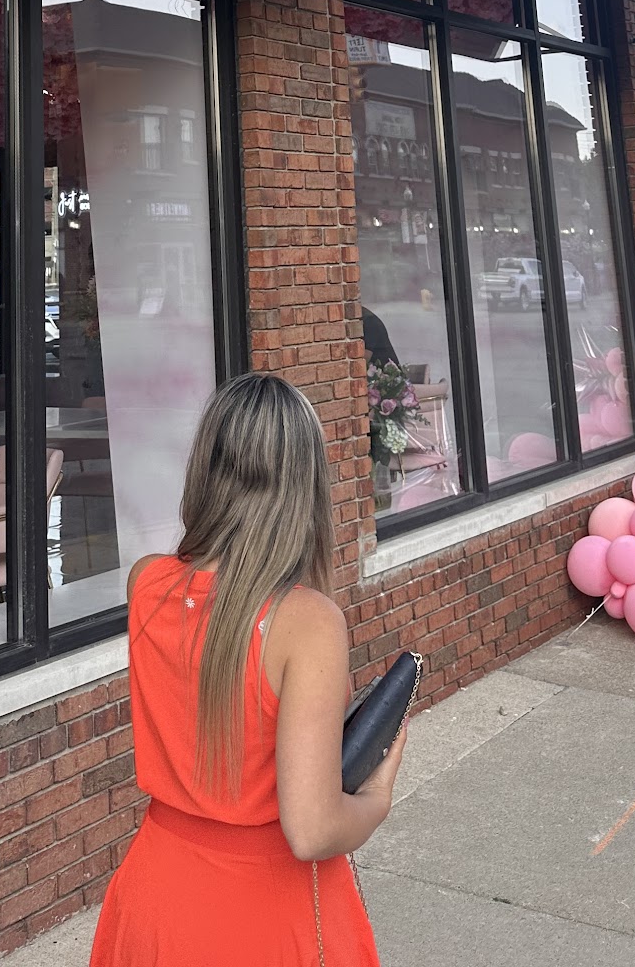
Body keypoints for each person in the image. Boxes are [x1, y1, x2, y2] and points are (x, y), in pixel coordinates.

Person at [90, 373, 403, 966]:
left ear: (205, 469)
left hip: (155, 893)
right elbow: (311, 830)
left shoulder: (146, 583)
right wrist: (377, 795)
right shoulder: (307, 622)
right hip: (263, 910)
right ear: (304, 485)